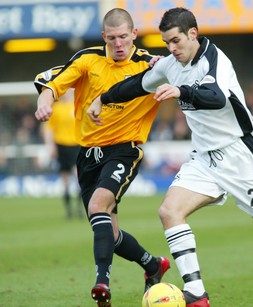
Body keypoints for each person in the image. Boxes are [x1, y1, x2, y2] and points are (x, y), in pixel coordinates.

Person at [88, 7, 253, 307]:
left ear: (193, 34)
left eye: (176, 41)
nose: (171, 48)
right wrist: (103, 98)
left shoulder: (214, 61)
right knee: (169, 212)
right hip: (205, 158)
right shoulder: (170, 64)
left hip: (241, 155)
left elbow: (216, 97)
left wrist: (181, 91)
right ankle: (196, 293)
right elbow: (138, 84)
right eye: (167, 43)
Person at [34, 8, 170, 307]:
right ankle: (152, 264)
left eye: (123, 37)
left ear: (134, 34)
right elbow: (52, 83)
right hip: (88, 156)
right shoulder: (88, 59)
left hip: (125, 149)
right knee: (110, 231)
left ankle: (102, 283)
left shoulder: (151, 65)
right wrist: (44, 101)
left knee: (98, 206)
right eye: (112, 39)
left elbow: (183, 70)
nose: (118, 44)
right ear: (103, 37)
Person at [41, 89, 84, 219]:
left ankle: (80, 208)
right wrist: (50, 145)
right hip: (61, 146)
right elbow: (48, 128)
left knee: (79, 177)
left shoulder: (78, 106)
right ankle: (69, 210)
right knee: (64, 178)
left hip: (76, 145)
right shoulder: (56, 108)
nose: (66, 93)